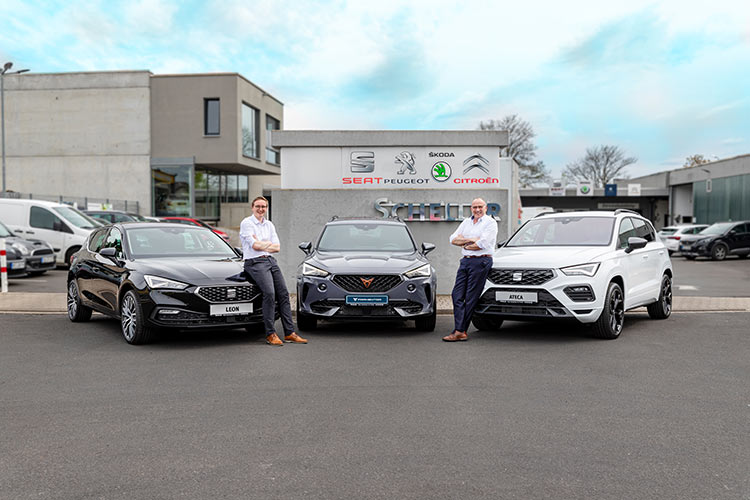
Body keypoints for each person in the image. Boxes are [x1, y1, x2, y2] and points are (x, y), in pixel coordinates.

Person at [240, 196, 308, 346]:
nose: (260, 209)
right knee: (270, 294)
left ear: (266, 208)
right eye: (258, 206)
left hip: (270, 261)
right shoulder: (247, 223)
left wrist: (263, 244)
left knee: (283, 294)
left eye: (263, 206)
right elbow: (254, 246)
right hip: (254, 262)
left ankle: (290, 333)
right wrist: (266, 244)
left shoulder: (269, 225)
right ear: (252, 207)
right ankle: (270, 334)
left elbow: (277, 247)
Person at [443, 198, 498, 342]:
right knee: (456, 295)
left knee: (471, 297)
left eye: (480, 207)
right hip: (465, 261)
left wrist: (465, 243)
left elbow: (483, 243)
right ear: (471, 208)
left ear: (486, 208)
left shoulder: (490, 223)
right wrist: (472, 240)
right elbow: (452, 239)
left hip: (481, 261)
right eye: (475, 207)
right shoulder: (466, 222)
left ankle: (460, 330)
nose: (477, 210)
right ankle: (460, 330)